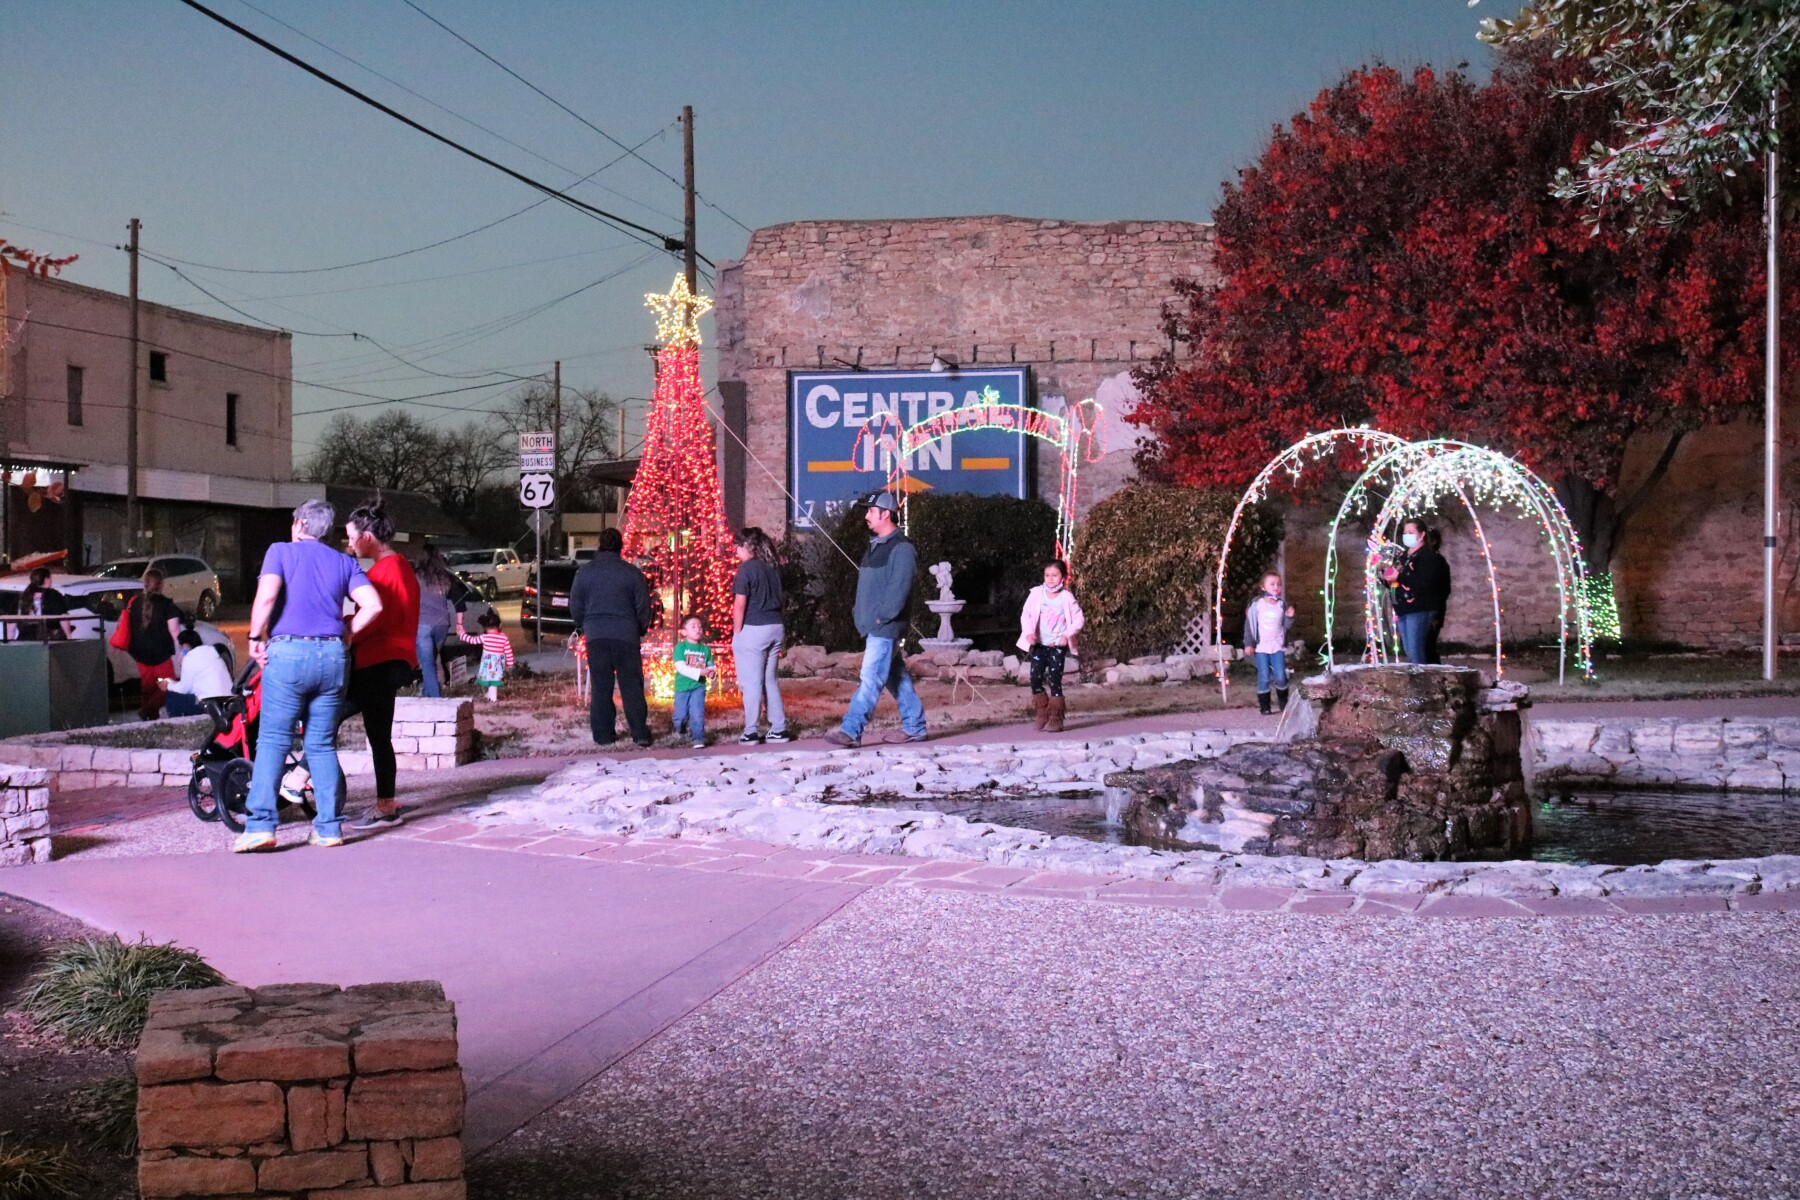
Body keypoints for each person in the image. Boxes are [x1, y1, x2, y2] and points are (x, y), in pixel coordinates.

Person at [235, 498, 383, 853]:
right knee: (320, 744)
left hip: (288, 654)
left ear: (299, 523)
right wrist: (348, 634)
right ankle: (329, 828)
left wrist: (256, 638)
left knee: (272, 740)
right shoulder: (344, 561)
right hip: (333, 657)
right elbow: (374, 604)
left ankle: (260, 828)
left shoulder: (280, 552)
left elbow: (267, 596)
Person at [338, 499, 421, 831]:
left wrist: (344, 628)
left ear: (367, 536)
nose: (349, 544)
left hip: (377, 663)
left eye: (350, 536)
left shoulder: (386, 572)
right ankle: (385, 803)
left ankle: (297, 782)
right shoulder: (399, 566)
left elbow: (375, 617)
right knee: (378, 736)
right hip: (389, 662)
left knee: (325, 721)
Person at [827, 491, 928, 748]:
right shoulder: (875, 547)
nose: (866, 516)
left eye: (871, 511)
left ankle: (850, 731)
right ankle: (915, 727)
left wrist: (882, 618)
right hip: (876, 625)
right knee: (897, 677)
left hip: (885, 627)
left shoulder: (902, 549)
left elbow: (899, 589)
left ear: (885, 514)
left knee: (871, 677)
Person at [569, 527, 654, 747]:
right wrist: (639, 628)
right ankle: (640, 733)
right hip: (626, 635)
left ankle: (603, 734)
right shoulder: (632, 573)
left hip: (596, 635)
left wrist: (584, 626)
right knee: (631, 685)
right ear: (620, 546)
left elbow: (575, 605)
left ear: (600, 545)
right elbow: (643, 606)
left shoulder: (585, 572)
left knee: (601, 685)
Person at [729, 527, 790, 744]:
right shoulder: (773, 568)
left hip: (753, 629)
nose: (735, 550)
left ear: (747, 546)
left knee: (751, 682)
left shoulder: (746, 569)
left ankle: (751, 730)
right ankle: (779, 728)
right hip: (775, 626)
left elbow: (740, 603)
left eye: (737, 546)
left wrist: (737, 633)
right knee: (770, 680)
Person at [1017, 559, 1086, 732]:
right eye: (1047, 575)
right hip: (1040, 644)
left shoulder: (1067, 597)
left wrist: (1066, 635)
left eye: (1054, 575)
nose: (1050, 579)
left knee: (1054, 679)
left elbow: (1079, 619)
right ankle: (1042, 713)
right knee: (1035, 677)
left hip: (1057, 645)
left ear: (1063, 577)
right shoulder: (1037, 594)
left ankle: (1056, 717)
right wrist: (1029, 633)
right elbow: (1026, 615)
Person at [1381, 519, 1452, 666]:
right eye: (1405, 533)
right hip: (1403, 609)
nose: (1407, 536)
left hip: (1420, 608)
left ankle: (1423, 682)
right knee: (1410, 650)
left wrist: (1399, 577)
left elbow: (1425, 582)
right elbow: (1396, 580)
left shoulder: (1429, 557)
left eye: (1411, 532)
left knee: (1416, 651)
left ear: (1421, 535)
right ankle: (1421, 678)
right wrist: (1386, 577)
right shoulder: (1402, 557)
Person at [124, 568, 184, 720]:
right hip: (160, 654)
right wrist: (182, 653)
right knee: (167, 683)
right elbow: (175, 631)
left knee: (149, 686)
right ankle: (148, 709)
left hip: (140, 654)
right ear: (161, 584)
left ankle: (151, 718)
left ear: (145, 584)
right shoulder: (166, 605)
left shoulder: (135, 603)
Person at [1243, 572, 1296, 714]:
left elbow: (1286, 626)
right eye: (1272, 584)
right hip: (1261, 647)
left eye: (1278, 584)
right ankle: (1265, 706)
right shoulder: (1256, 605)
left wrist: (1290, 617)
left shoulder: (1282, 605)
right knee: (1264, 676)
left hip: (1277, 646)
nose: (1276, 587)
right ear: (1263, 586)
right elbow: (1250, 626)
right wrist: (1248, 644)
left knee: (1280, 675)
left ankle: (1283, 702)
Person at [414, 541, 456, 698]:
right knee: (431, 660)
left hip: (423, 623)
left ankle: (434, 696)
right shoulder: (444, 577)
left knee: (427, 663)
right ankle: (426, 691)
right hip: (442, 624)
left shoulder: (416, 576)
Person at [671, 614, 716, 749]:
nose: (698, 629)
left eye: (700, 626)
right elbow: (681, 667)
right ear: (684, 632)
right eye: (693, 626)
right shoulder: (680, 647)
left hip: (698, 687)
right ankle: (681, 728)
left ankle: (698, 738)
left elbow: (711, 666)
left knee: (697, 713)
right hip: (682, 687)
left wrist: (712, 674)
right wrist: (699, 672)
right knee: (680, 716)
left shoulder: (705, 650)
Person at [166, 629, 234, 715]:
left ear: (185, 646)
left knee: (172, 698)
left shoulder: (190, 657)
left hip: (211, 704)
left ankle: (178, 723)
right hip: (227, 700)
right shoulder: (212, 653)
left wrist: (168, 685)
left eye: (181, 647)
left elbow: (184, 689)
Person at [454, 608, 514, 701]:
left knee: (491, 680)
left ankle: (493, 697)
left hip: (488, 663)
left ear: (485, 627)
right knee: (494, 680)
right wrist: (509, 663)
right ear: (499, 625)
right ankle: (490, 694)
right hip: (498, 664)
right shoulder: (503, 637)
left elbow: (472, 640)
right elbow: (508, 651)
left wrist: (462, 635)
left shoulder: (485, 637)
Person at [19, 568, 74, 642]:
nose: (51, 580)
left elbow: (12, 620)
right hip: (47, 638)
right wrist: (68, 636)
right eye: (50, 578)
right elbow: (63, 616)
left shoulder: (25, 595)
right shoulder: (52, 594)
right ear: (46, 579)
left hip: (26, 637)